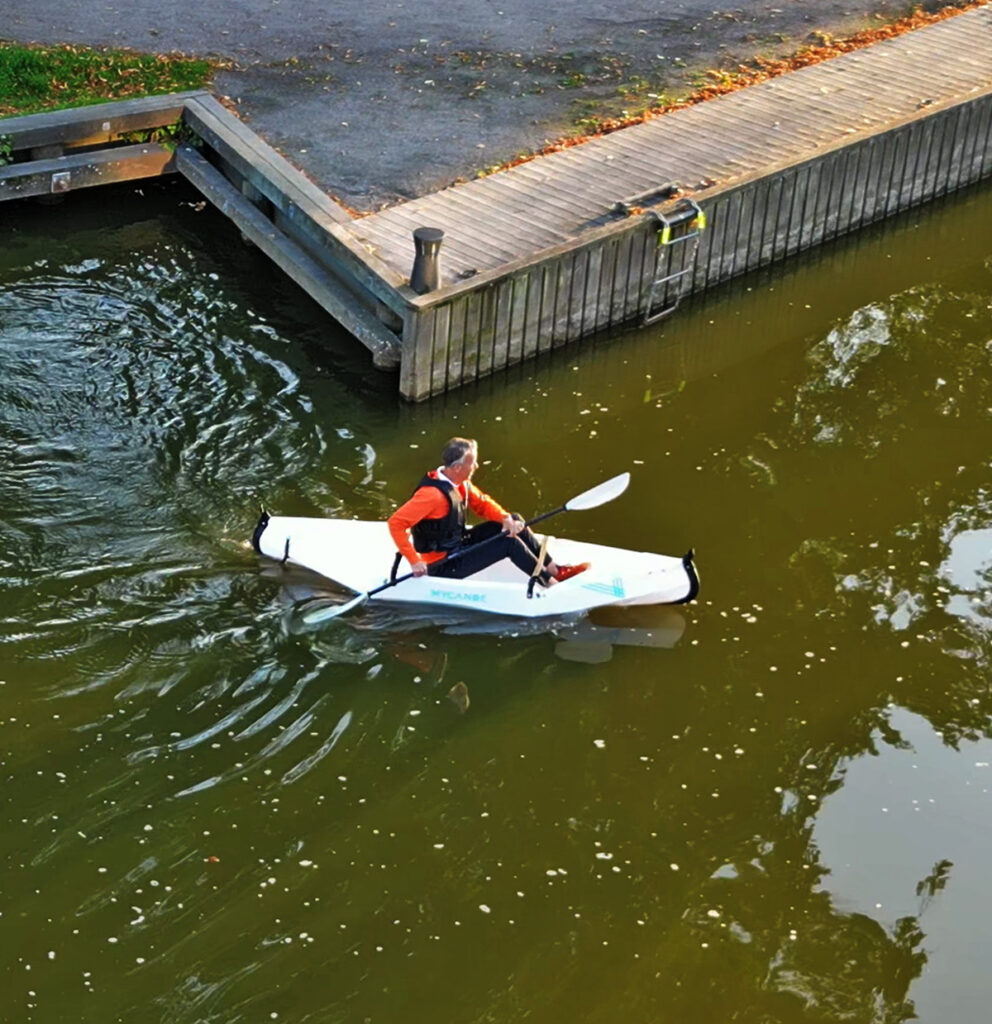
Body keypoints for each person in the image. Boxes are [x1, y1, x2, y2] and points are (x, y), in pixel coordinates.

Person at [387, 437, 589, 587]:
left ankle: (555, 569)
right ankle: (550, 583)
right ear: (457, 467)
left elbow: (483, 504)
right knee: (507, 542)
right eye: (472, 462)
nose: (476, 466)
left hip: (459, 545)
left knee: (513, 519)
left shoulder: (460, 482)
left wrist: (505, 519)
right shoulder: (431, 496)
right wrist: (414, 561)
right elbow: (396, 523)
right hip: (443, 565)